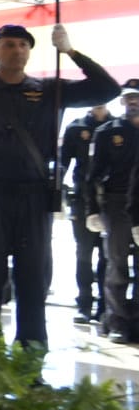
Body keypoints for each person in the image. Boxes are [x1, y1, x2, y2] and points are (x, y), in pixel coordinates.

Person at [0, 23, 117, 349]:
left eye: (23, 45)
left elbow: (108, 90)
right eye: (9, 44)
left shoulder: (49, 91)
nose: (17, 50)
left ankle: (31, 360)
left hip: (34, 199)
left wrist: (71, 52)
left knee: (34, 282)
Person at [89, 82, 139, 343]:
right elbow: (93, 174)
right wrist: (93, 210)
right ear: (122, 102)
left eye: (137, 98)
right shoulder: (108, 132)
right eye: (129, 98)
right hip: (117, 204)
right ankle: (117, 322)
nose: (133, 102)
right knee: (117, 265)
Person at [61, 102, 110, 326]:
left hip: (111, 201)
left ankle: (104, 307)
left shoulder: (117, 126)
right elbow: (62, 165)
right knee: (84, 254)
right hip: (82, 200)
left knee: (108, 257)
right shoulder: (76, 128)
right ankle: (84, 304)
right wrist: (58, 199)